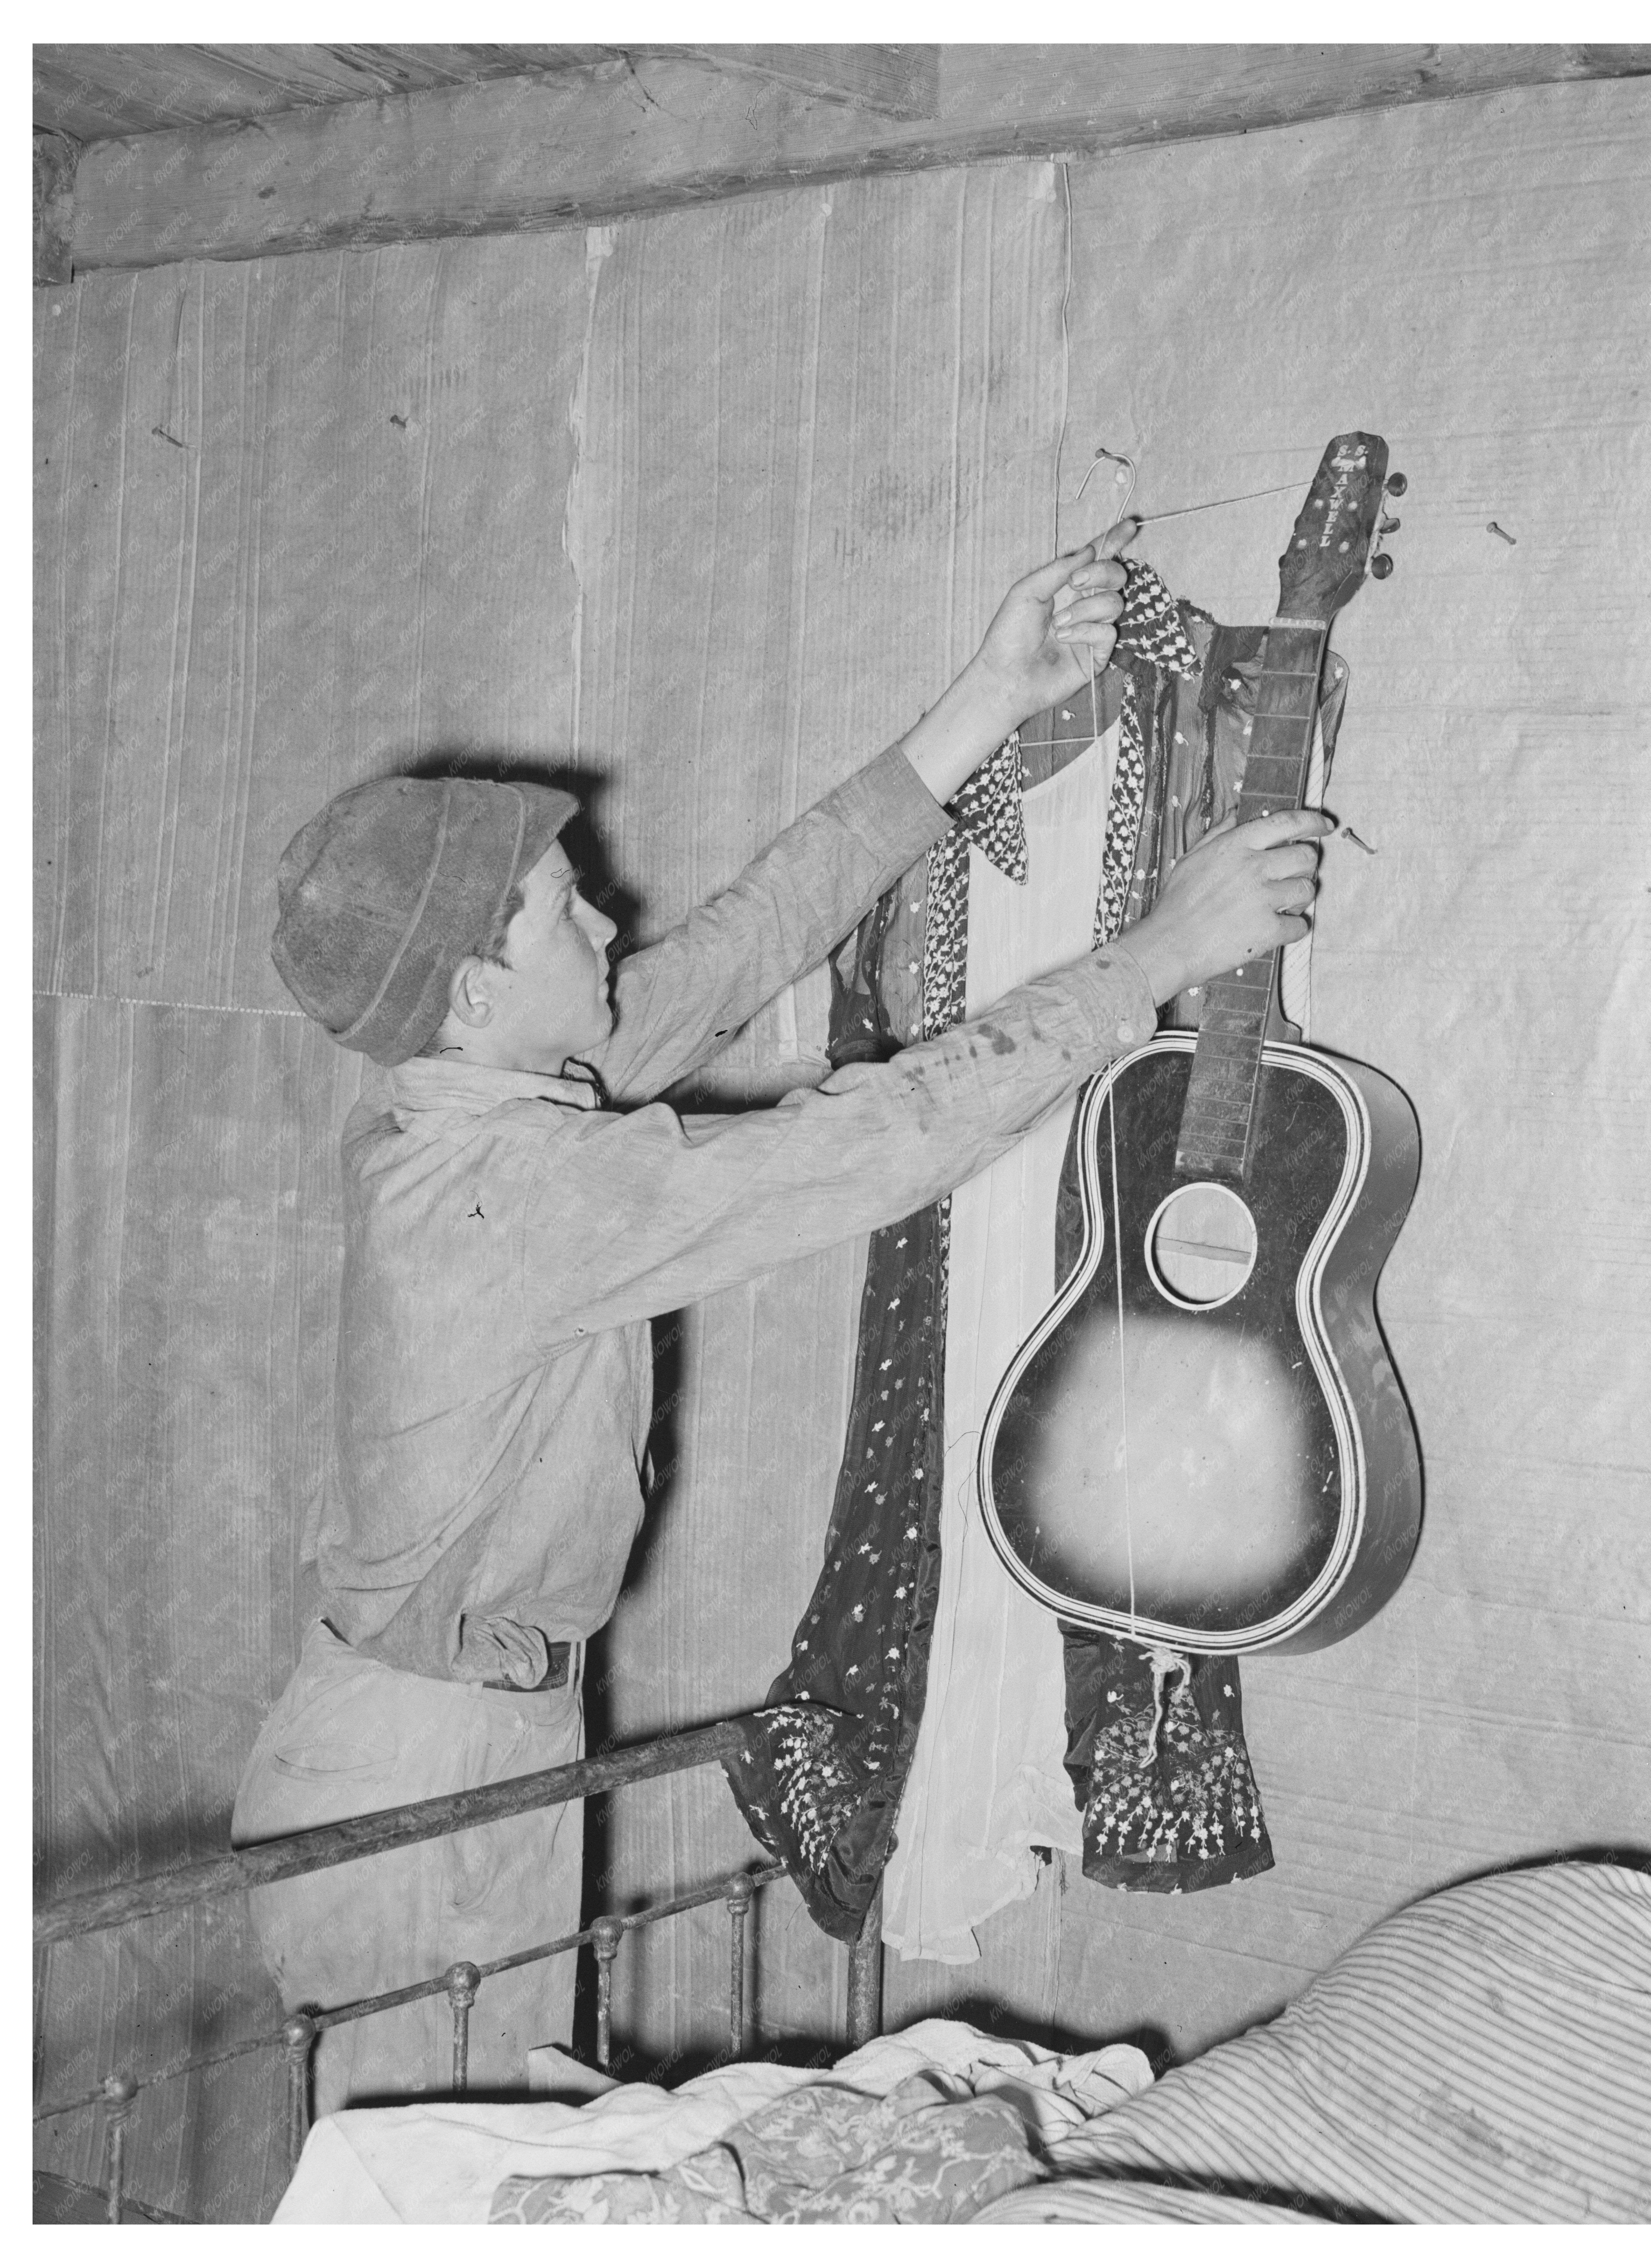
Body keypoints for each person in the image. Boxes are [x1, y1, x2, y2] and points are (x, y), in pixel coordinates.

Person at [231, 520, 1327, 2110]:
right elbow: (866, 1145)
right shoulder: (512, 1194)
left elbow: (753, 934)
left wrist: (980, 701)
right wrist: (1155, 956)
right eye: (559, 908)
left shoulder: (498, 1095)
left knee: (502, 2170)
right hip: (413, 1759)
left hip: (473, 1731)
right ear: (477, 992)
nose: (606, 916)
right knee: (420, 2192)